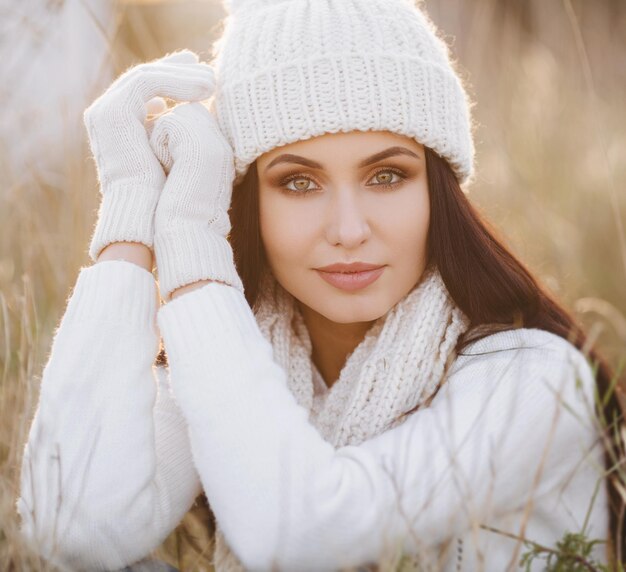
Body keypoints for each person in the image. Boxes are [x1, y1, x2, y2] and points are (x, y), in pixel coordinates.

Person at [15, 0, 625, 570]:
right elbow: (71, 530)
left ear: (438, 189)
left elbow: (298, 533)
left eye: (387, 176)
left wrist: (196, 249)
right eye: (298, 183)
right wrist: (129, 211)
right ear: (246, 198)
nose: (349, 229)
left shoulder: (531, 377)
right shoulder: (233, 355)